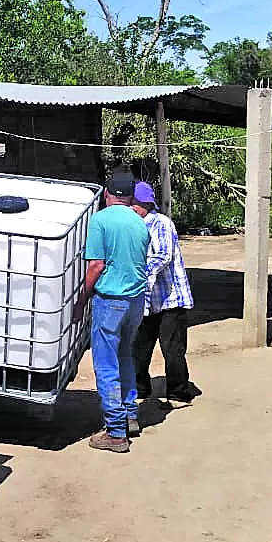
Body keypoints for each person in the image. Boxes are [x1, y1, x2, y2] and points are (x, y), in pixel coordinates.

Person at [74, 169, 150, 453]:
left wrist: (82, 300)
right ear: (130, 196)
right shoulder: (140, 222)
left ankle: (116, 433)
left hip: (111, 301)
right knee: (124, 357)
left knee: (106, 365)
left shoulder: (101, 220)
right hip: (136, 302)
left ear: (107, 194)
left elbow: (96, 265)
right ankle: (130, 416)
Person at [130, 181, 201, 404]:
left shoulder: (160, 223)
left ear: (146, 203)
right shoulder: (134, 225)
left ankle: (178, 390)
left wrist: (138, 273)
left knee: (173, 349)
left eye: (135, 203)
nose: (131, 207)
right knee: (139, 347)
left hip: (170, 299)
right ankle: (140, 387)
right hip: (148, 300)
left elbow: (162, 255)